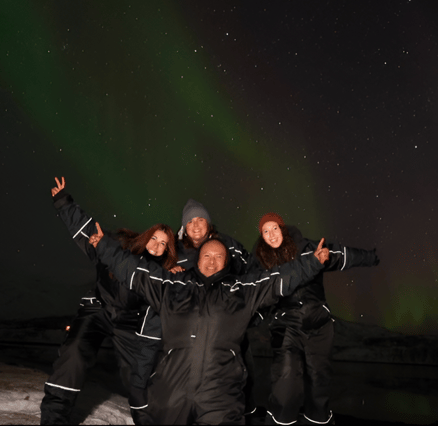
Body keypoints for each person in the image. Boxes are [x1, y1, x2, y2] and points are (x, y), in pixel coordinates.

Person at [49, 180, 345, 425]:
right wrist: (97, 239)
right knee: (129, 372)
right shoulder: (171, 281)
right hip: (167, 374)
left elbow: (272, 278)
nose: (212, 259)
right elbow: (127, 264)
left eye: (218, 256)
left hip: (219, 383)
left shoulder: (236, 283)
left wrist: (309, 264)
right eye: (206, 255)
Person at [40, 177, 179, 425]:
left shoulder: (161, 276)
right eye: (155, 239)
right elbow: (87, 231)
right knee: (74, 354)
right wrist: (63, 202)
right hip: (97, 309)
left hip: (129, 324)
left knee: (141, 376)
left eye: (164, 244)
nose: (157, 246)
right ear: (146, 236)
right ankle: (54, 418)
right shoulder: (118, 246)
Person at [249, 212, 379, 425]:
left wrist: (370, 257)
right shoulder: (259, 261)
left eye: (274, 228)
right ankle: (281, 421)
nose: (271, 234)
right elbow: (255, 293)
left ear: (282, 228)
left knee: (319, 380)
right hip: (286, 324)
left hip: (318, 322)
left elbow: (339, 255)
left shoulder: (308, 248)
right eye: (265, 231)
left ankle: (317, 421)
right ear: (261, 236)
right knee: (286, 379)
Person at [176, 198, 260, 417]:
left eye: (200, 219)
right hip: (188, 331)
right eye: (190, 221)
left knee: (242, 377)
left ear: (209, 224)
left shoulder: (228, 246)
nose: (195, 225)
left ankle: (246, 415)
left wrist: (248, 308)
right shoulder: (174, 251)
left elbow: (254, 271)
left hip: (227, 329)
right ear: (184, 227)